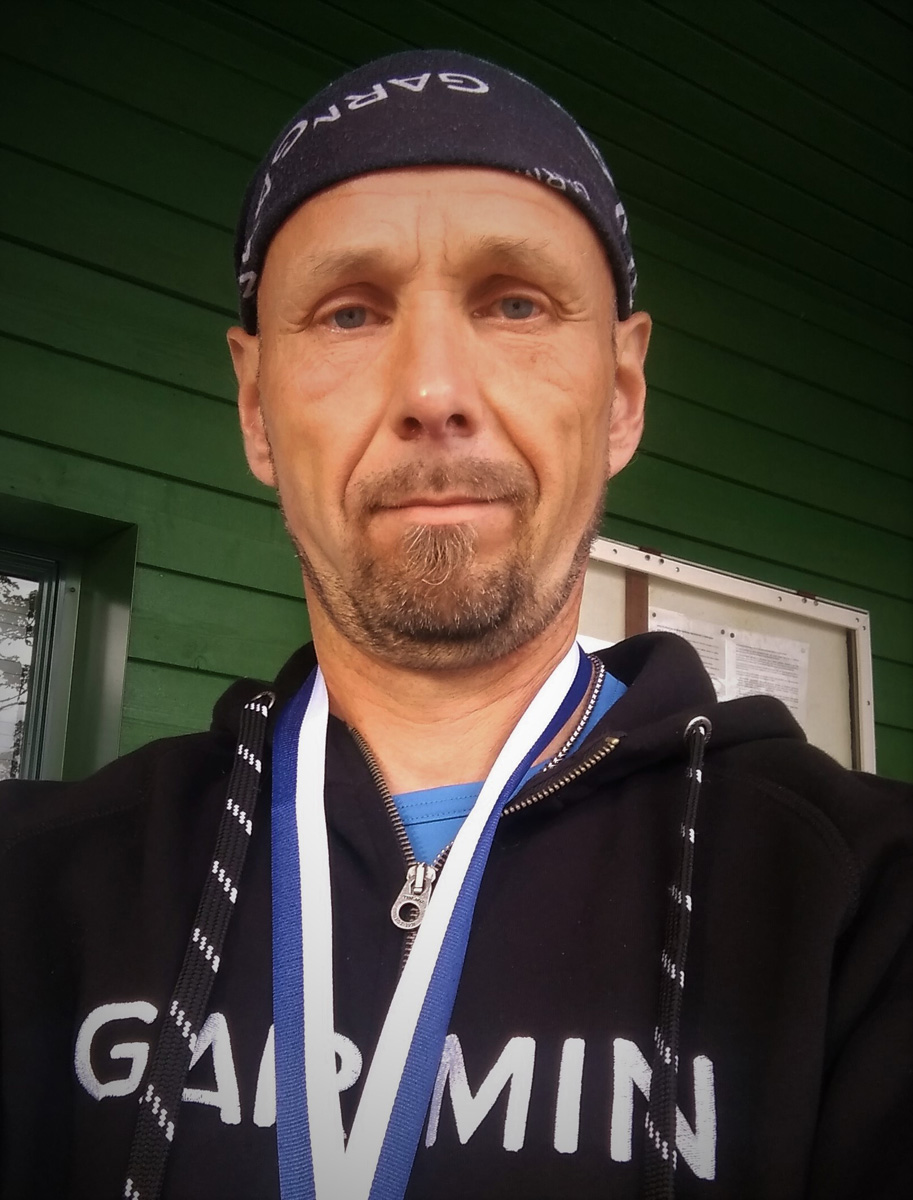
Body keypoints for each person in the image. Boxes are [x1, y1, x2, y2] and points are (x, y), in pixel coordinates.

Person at [1, 49, 910, 1200]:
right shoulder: (34, 889)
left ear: (621, 394)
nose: (433, 391)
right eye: (348, 311)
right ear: (257, 408)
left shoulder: (865, 914)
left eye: (515, 301)